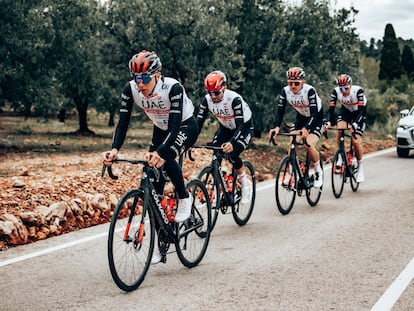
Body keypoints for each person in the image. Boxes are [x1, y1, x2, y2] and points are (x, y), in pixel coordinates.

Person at [101, 50, 199, 263]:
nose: (140, 84)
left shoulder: (173, 88)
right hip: (160, 127)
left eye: (145, 78)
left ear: (158, 75)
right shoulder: (131, 89)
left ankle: (184, 197)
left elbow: (174, 128)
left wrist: (162, 152)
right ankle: (159, 239)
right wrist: (115, 149)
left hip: (184, 125)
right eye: (137, 78)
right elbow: (123, 122)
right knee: (153, 186)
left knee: (166, 156)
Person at [196, 70, 254, 204]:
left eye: (216, 92)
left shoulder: (234, 99)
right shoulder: (207, 100)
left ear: (225, 88)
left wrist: (232, 142)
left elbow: (240, 125)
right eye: (210, 93)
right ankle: (219, 187)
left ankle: (245, 184)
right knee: (216, 154)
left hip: (243, 128)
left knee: (233, 154)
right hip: (226, 128)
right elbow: (198, 123)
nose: (213, 96)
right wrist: (190, 140)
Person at [268, 67, 324, 188]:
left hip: (316, 118)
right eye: (290, 83)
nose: (293, 86)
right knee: (292, 141)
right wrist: (276, 127)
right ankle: (293, 173)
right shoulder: (285, 91)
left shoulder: (309, 91)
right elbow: (280, 111)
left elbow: (314, 113)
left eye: (296, 83)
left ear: (303, 82)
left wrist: (307, 129)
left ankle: (318, 170)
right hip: (301, 117)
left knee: (308, 143)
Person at [325, 74, 366, 183]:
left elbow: (362, 111)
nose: (343, 91)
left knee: (356, 141)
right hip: (346, 111)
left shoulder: (358, 91)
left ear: (350, 86)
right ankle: (340, 156)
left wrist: (356, 124)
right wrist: (328, 121)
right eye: (341, 88)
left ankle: (360, 166)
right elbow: (331, 110)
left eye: (346, 88)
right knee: (340, 129)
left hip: (359, 113)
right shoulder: (336, 92)